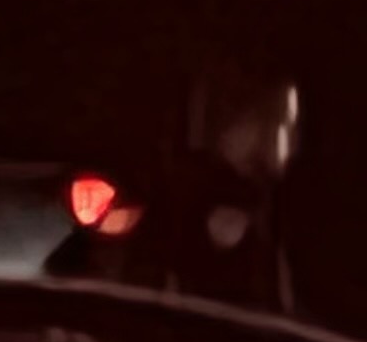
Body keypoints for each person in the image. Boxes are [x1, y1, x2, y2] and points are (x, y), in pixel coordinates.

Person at [105, 65, 301, 313]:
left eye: (283, 124)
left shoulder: (268, 198)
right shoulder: (199, 191)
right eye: (261, 121)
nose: (277, 136)